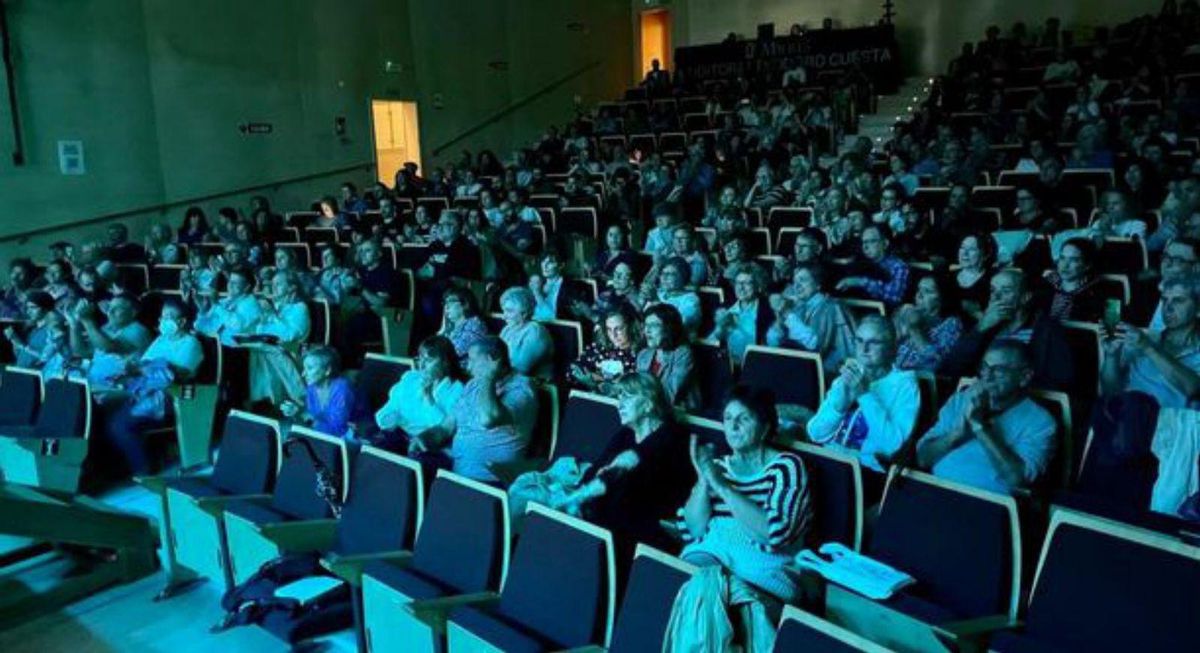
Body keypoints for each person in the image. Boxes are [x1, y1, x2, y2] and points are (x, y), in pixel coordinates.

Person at [679, 386, 812, 603]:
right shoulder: (718, 466)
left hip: (761, 573)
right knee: (677, 583)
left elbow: (774, 534)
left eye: (744, 418)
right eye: (728, 418)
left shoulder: (786, 467)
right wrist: (704, 481)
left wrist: (723, 488)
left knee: (701, 599)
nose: (733, 426)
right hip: (710, 558)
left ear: (765, 427)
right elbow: (694, 529)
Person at [551, 373, 693, 561]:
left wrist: (578, 496)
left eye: (627, 396)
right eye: (619, 397)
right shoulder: (626, 434)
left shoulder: (672, 434)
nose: (620, 404)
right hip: (616, 515)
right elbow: (593, 473)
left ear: (649, 404)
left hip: (655, 525)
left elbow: (630, 462)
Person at [917, 340, 1057, 495]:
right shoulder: (962, 399)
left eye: (999, 370)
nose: (987, 377)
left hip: (985, 505)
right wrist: (957, 434)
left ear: (1024, 377)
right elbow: (923, 458)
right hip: (933, 490)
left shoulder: (1041, 422)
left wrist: (980, 427)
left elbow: (1017, 479)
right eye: (985, 367)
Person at [409, 336, 539, 483]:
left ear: (491, 360)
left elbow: (489, 418)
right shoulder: (473, 385)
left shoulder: (521, 388)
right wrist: (424, 437)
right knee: (403, 466)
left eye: (472, 360)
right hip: (456, 472)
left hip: (490, 481)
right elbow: (446, 427)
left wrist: (488, 377)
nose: (468, 367)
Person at [101, 299, 204, 475]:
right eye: (162, 316)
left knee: (120, 425)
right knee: (102, 408)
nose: (163, 321)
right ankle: (113, 467)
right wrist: (132, 368)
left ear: (182, 321)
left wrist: (146, 367)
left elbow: (174, 375)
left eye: (169, 317)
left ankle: (142, 471)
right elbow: (144, 364)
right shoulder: (161, 340)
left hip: (168, 398)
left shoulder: (190, 343)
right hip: (143, 391)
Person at [806, 315, 921, 472]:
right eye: (859, 340)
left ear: (892, 348)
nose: (864, 349)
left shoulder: (905, 386)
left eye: (873, 343)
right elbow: (815, 434)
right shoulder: (850, 374)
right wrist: (838, 408)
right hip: (828, 460)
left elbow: (893, 448)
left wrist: (864, 396)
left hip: (864, 471)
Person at [940, 268, 1075, 391]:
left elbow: (1061, 380)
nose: (995, 297)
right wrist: (980, 328)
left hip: (1023, 400)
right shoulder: (985, 326)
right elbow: (951, 367)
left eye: (1006, 291)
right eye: (993, 290)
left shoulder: (1047, 330)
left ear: (1025, 298)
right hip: (980, 396)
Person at [1102, 277, 1200, 408]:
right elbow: (1110, 391)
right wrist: (1111, 356)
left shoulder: (1143, 340)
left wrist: (1148, 347)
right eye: (1164, 300)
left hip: (1170, 423)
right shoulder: (1142, 337)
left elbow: (1195, 390)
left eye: (1178, 300)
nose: (1168, 308)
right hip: (1127, 416)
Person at [373, 336, 466, 448]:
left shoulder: (457, 389)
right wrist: (401, 420)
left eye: (428, 360)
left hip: (428, 446)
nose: (421, 366)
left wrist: (429, 399)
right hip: (398, 436)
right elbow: (383, 416)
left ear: (445, 362)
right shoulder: (411, 378)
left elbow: (442, 430)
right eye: (420, 359)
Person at [766, 263, 855, 372]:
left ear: (818, 284)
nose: (796, 285)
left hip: (824, 373)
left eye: (802, 280)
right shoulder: (795, 306)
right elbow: (772, 342)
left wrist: (787, 313)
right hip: (794, 366)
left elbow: (815, 347)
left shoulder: (830, 307)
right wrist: (779, 319)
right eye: (795, 281)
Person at [246, 270, 312, 405]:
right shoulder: (276, 305)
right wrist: (262, 319)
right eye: (273, 284)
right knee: (258, 348)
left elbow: (289, 336)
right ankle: (266, 400)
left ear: (292, 287)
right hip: (271, 348)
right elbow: (261, 331)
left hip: (294, 350)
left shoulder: (300, 308)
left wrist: (273, 315)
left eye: (279, 284)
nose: (274, 287)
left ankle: (299, 396)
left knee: (271, 350)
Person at [66, 294, 153, 387]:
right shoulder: (107, 328)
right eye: (109, 307)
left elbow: (107, 347)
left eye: (117, 308)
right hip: (94, 385)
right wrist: (73, 325)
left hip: (119, 390)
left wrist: (87, 320)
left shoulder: (138, 330)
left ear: (133, 312)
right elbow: (81, 352)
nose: (110, 311)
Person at [280, 347, 365, 440]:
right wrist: (295, 414)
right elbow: (311, 424)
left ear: (327, 370)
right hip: (326, 437)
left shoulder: (343, 388)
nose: (303, 374)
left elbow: (337, 430)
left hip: (356, 437)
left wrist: (303, 414)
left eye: (309, 368)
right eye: (304, 369)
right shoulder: (312, 388)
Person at [894, 274, 964, 372]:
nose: (919, 295)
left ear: (942, 297)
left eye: (927, 291)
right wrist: (898, 329)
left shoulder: (951, 324)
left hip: (919, 380)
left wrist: (914, 329)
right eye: (919, 290)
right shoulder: (907, 312)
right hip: (893, 374)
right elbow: (885, 350)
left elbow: (934, 363)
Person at [637, 303, 701, 410]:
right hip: (649, 409)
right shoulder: (644, 355)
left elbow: (670, 394)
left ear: (668, 328)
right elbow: (638, 389)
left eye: (653, 325)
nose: (647, 331)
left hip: (679, 412)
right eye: (646, 325)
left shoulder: (682, 354)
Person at [835, 225, 911, 308]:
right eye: (864, 242)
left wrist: (861, 282)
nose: (865, 247)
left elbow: (895, 296)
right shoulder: (857, 264)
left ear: (885, 243)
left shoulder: (898, 266)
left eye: (871, 241)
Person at [709, 264, 773, 362]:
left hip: (757, 364)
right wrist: (720, 328)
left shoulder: (768, 310)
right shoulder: (724, 307)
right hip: (727, 364)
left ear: (758, 286)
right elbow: (710, 343)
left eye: (747, 283)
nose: (741, 287)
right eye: (738, 283)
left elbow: (770, 347)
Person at [570, 307, 640, 394]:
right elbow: (574, 369)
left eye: (618, 329)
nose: (614, 335)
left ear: (629, 326)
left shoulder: (640, 354)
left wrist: (598, 380)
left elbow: (632, 387)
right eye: (609, 329)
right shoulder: (600, 347)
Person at [193, 267, 263, 345]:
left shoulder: (251, 304)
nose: (230, 285)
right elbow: (200, 326)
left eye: (235, 283)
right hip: (217, 347)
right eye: (230, 281)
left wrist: (216, 306)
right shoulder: (225, 301)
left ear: (247, 287)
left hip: (239, 351)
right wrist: (203, 310)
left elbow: (238, 326)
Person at [1042, 238, 1105, 322]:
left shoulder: (1092, 294)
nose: (1065, 265)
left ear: (1087, 265)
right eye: (1062, 258)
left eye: (1074, 260)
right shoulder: (1045, 286)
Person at [498, 287, 554, 379]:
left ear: (524, 313)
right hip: (507, 379)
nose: (503, 317)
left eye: (509, 311)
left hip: (537, 387)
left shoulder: (535, 332)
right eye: (503, 311)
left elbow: (521, 369)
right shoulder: (507, 329)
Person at [3, 291, 62, 369]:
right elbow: (22, 354)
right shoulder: (34, 329)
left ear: (45, 308)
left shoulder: (53, 330)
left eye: (33, 308)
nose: (28, 311)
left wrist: (21, 344)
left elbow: (45, 358)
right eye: (28, 308)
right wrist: (14, 342)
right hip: (20, 370)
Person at [645, 257, 702, 336]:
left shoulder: (691, 300)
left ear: (683, 277)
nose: (664, 278)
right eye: (663, 273)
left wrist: (655, 300)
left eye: (670, 274)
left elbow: (675, 326)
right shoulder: (660, 294)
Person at [952, 232, 998, 321]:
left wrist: (975, 313)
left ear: (986, 254)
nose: (964, 253)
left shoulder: (994, 280)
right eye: (962, 247)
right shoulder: (948, 276)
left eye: (972, 249)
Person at [438, 286, 489, 363]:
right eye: (445, 303)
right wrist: (442, 330)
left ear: (465, 304)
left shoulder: (475, 325)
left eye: (450, 302)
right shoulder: (450, 326)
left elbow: (454, 353)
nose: (446, 307)